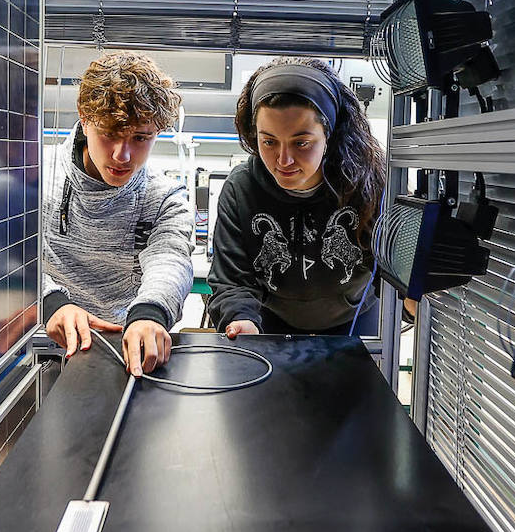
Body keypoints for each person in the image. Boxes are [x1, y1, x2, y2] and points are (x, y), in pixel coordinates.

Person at [207, 57, 386, 338]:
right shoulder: (240, 188)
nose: (283, 159)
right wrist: (240, 318)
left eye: (301, 142)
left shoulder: (370, 182)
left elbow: (389, 267)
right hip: (268, 321)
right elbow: (232, 280)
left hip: (353, 318)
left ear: (331, 134)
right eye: (269, 141)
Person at [42, 51, 193, 376]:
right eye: (109, 133)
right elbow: (5, 258)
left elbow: (171, 259)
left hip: (127, 351)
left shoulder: (165, 196)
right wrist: (49, 303)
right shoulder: (36, 176)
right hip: (40, 350)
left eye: (140, 138)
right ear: (84, 117)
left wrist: (150, 314)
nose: (122, 155)